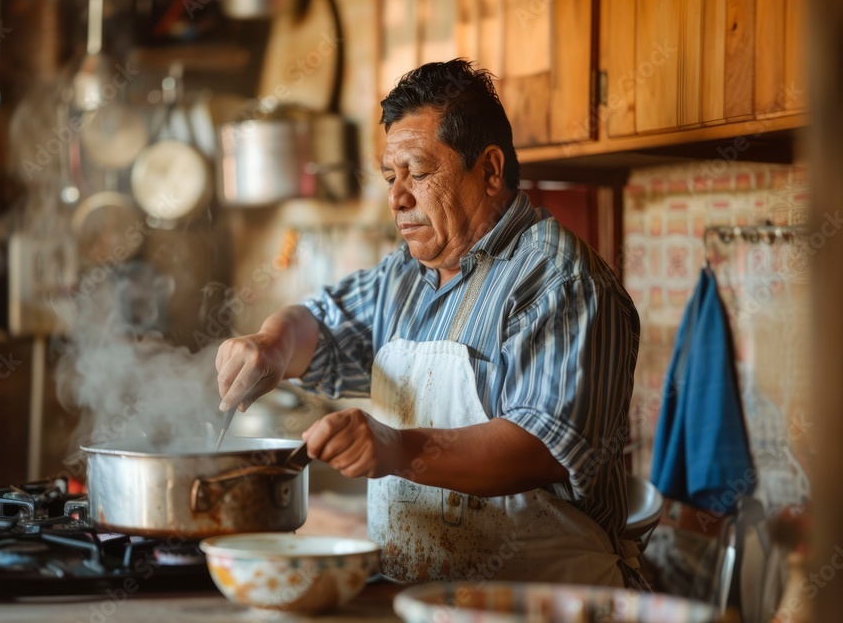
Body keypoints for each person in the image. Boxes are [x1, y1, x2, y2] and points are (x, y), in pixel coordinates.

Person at [215, 59, 645, 588]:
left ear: (489, 171)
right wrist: (271, 345)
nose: (397, 198)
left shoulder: (561, 281)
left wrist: (395, 448)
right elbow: (320, 324)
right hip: (423, 597)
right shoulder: (407, 272)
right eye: (390, 177)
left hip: (544, 601)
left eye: (417, 174)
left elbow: (540, 448)